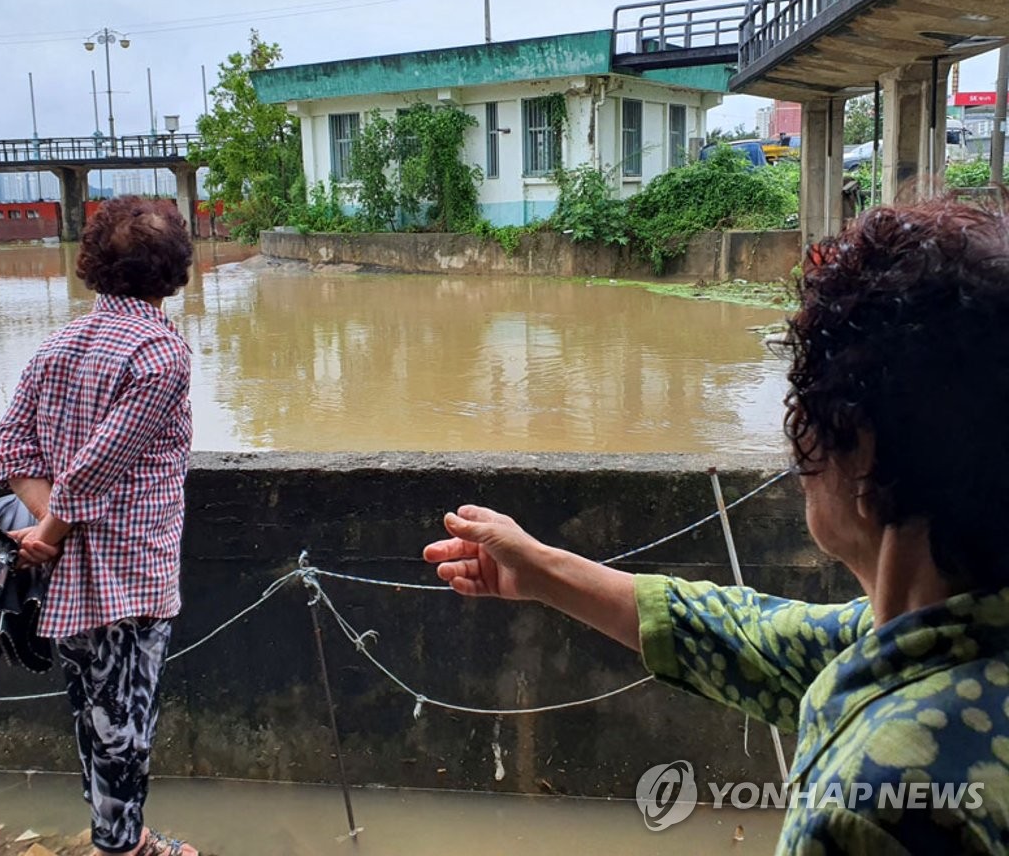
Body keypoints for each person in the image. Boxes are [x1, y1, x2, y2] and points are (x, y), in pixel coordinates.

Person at [424, 196, 1009, 855]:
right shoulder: (941, 629)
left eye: (806, 409)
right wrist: (542, 569)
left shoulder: (878, 809)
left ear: (867, 460)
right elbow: (751, 640)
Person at [0, 197, 199, 856]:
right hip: (129, 571)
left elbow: (11, 448)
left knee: (88, 703)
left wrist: (46, 530)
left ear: (92, 266)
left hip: (61, 576)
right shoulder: (161, 353)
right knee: (126, 719)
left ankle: (116, 834)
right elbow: (97, 465)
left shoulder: (59, 344)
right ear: (175, 273)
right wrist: (55, 529)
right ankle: (123, 846)